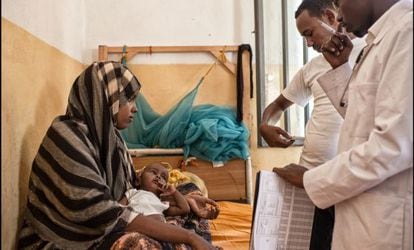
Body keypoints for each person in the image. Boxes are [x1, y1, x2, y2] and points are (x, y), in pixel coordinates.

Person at [17, 61, 218, 249]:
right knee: (136, 244)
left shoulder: (111, 137)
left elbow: (131, 186)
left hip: (112, 216)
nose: (135, 108)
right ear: (106, 97)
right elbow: (102, 214)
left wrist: (184, 201)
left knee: (188, 187)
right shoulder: (66, 138)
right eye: (128, 99)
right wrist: (189, 236)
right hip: (68, 238)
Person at [273, 0, 413, 249]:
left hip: (384, 223)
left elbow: (394, 146)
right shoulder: (379, 40)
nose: (337, 17)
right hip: (359, 210)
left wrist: (311, 179)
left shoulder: (407, 33)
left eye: (338, 3)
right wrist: (340, 68)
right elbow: (360, 120)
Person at [259, 0, 364, 249]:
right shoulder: (312, 68)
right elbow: (276, 106)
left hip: (346, 182)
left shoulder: (367, 54)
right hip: (308, 181)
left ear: (330, 16)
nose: (308, 43)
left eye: (309, 34)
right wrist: (265, 124)